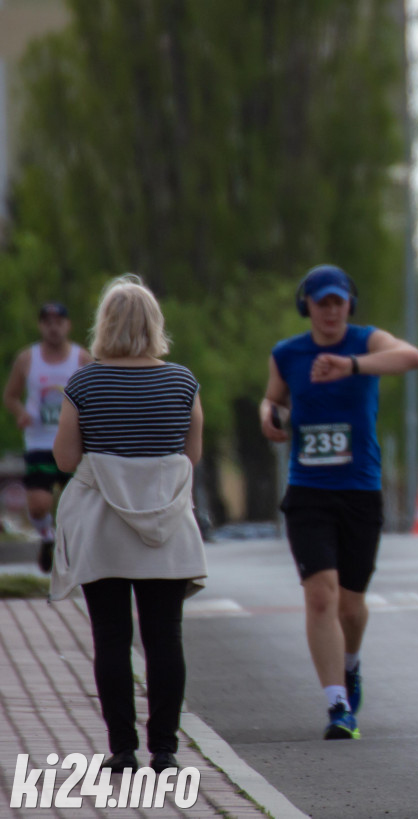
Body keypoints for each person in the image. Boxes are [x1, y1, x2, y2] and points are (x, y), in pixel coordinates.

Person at [49, 275, 207, 774]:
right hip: (166, 530)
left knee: (111, 640)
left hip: (103, 531)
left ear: (106, 325)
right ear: (154, 325)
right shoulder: (183, 382)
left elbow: (64, 458)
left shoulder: (84, 383)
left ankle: (122, 748)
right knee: (165, 640)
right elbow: (191, 456)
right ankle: (164, 749)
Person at [260, 264, 418, 741]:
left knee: (351, 606)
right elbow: (274, 398)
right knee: (320, 595)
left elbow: (411, 357)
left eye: (338, 302)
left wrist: (351, 365)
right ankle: (337, 705)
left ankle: (350, 666)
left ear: (349, 304)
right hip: (309, 491)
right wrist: (269, 415)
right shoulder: (287, 353)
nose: (330, 311)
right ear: (306, 306)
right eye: (321, 302)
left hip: (359, 491)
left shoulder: (365, 341)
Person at [3, 302, 91, 572]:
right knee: (40, 505)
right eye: (47, 322)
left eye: (58, 322)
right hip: (40, 442)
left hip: (73, 442)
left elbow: (95, 396)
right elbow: (10, 396)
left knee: (76, 503)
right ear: (41, 326)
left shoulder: (82, 359)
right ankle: (47, 538)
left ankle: (74, 550)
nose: (53, 328)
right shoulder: (27, 358)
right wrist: (20, 413)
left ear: (68, 325)